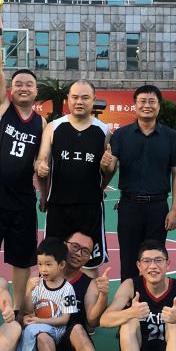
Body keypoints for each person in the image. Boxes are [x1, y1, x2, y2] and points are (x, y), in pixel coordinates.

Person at [0, 9, 44, 311]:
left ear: (36, 91)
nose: (23, 87)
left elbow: (41, 161)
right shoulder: (0, 108)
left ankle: (16, 309)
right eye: (18, 84)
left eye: (29, 84)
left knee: (22, 259)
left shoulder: (41, 123)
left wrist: (44, 184)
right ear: (10, 89)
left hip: (23, 201)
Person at [102, 85, 176, 283]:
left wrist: (174, 209)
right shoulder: (121, 135)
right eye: (142, 101)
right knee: (128, 259)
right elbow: (110, 168)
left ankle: (153, 298)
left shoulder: (171, 136)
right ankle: (128, 298)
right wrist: (105, 164)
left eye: (152, 101)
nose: (147, 105)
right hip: (129, 206)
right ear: (135, 105)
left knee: (155, 259)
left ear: (159, 105)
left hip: (158, 207)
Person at [36, 80, 112, 272]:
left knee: (89, 265)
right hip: (58, 207)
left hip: (90, 208)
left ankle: (90, 294)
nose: (80, 102)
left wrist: (107, 169)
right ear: (67, 99)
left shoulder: (104, 131)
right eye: (75, 97)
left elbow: (110, 169)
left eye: (85, 98)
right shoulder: (53, 127)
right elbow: (41, 161)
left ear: (93, 100)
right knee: (53, 264)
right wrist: (41, 168)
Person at [10, 237, 82, 351]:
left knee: (31, 330)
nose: (43, 269)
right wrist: (28, 290)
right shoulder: (37, 284)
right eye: (40, 264)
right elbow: (27, 310)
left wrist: (39, 321)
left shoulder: (67, 289)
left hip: (56, 331)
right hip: (37, 326)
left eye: (48, 264)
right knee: (17, 343)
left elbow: (64, 319)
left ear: (61, 265)